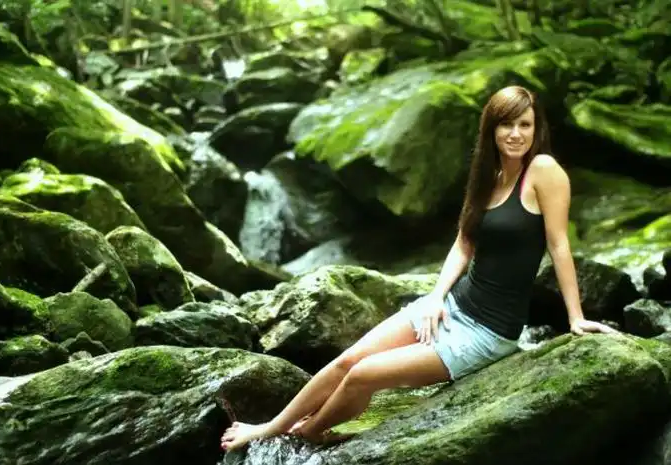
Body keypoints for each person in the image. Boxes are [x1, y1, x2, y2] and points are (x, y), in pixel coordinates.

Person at [220, 85, 617, 451]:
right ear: (491, 130)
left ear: (536, 128)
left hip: (489, 332)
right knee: (346, 361)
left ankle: (309, 433)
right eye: (506, 125)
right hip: (453, 305)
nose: (516, 134)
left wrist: (575, 318)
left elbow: (559, 245)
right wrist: (437, 297)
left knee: (363, 374)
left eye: (524, 125)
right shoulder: (489, 175)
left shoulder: (544, 171)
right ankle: (269, 427)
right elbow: (464, 244)